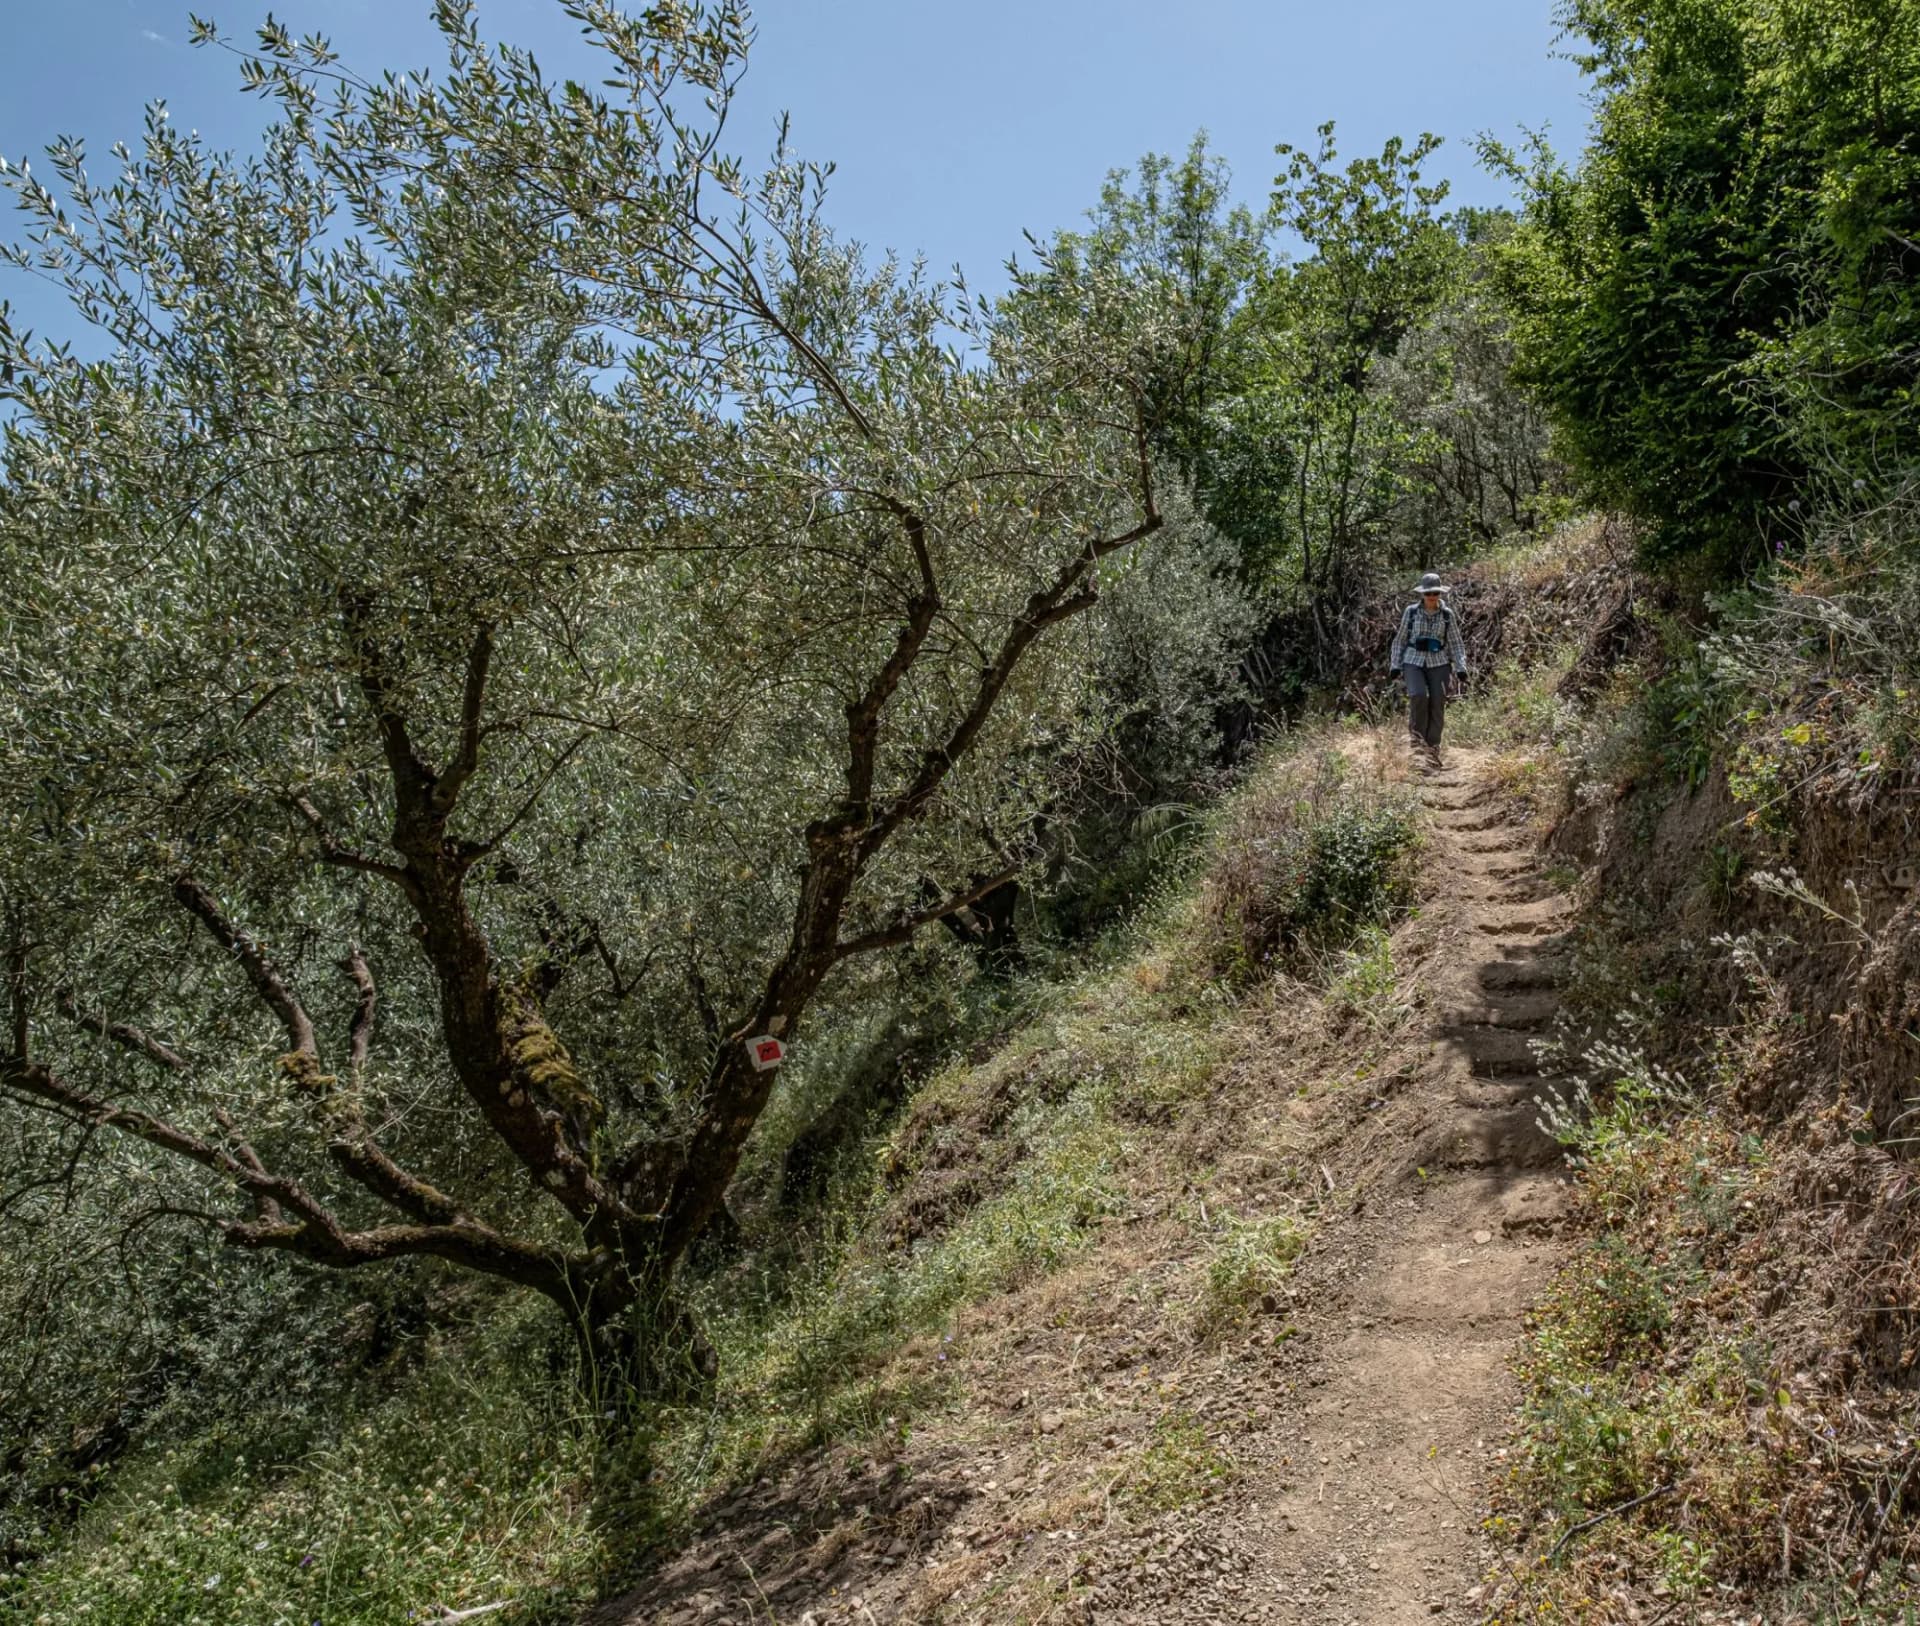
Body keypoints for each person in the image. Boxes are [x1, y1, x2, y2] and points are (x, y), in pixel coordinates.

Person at [1388, 571, 1468, 763]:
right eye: (1428, 593)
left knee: (1438, 700)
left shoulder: (1447, 615)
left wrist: (1461, 667)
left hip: (1439, 661)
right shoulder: (1411, 612)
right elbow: (1400, 640)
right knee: (1418, 695)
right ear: (1422, 594)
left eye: (1435, 593)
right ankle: (1417, 746)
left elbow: (1456, 643)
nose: (1432, 596)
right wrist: (1395, 665)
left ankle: (1432, 748)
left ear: (1440, 594)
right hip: (1413, 660)